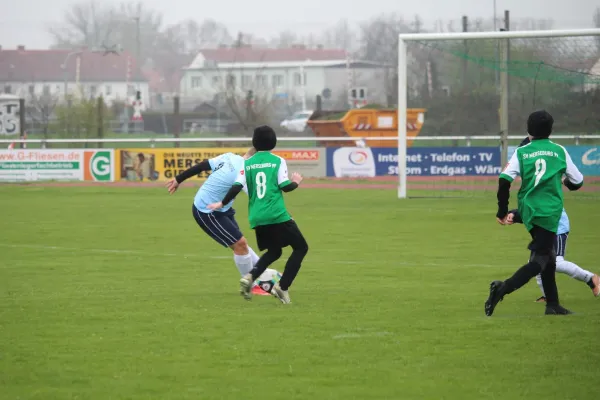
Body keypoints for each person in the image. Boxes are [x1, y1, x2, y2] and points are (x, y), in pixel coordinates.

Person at [485, 110, 584, 316]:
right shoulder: (559, 151)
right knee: (540, 260)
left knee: (548, 258)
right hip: (549, 213)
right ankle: (502, 288)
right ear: (550, 130)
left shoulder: (522, 152)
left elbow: (504, 180)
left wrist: (502, 210)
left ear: (528, 130)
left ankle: (553, 305)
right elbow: (578, 182)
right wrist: (564, 181)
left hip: (528, 211)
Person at [208, 126, 308, 304]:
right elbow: (285, 186)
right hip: (276, 214)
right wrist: (296, 181)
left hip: (257, 217)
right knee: (301, 248)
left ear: (254, 142)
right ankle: (282, 287)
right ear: (274, 142)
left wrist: (221, 203)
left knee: (274, 251)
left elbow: (237, 186)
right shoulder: (277, 161)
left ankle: (250, 277)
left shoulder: (247, 164)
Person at [165, 148, 263, 280]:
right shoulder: (245, 173)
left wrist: (178, 179)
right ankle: (251, 284)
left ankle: (263, 274)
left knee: (240, 243)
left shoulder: (230, 156)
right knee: (240, 244)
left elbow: (202, 166)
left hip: (222, 209)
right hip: (207, 211)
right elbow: (259, 199)